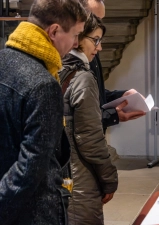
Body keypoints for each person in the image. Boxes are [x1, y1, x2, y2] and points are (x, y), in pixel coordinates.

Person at [0, 0, 87, 224]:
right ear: (54, 31)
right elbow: (31, 166)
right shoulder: (43, 84)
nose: (77, 42)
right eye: (76, 34)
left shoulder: (3, 60)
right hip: (32, 211)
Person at [59, 13, 117, 224]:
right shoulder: (82, 78)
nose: (99, 48)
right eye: (95, 40)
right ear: (78, 37)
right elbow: (90, 139)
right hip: (80, 177)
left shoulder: (57, 69)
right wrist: (109, 179)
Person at [80, 0, 145, 132]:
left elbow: (96, 94)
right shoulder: (70, 59)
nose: (100, 25)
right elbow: (79, 118)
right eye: (95, 19)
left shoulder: (93, 49)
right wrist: (112, 116)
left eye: (101, 20)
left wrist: (122, 96)